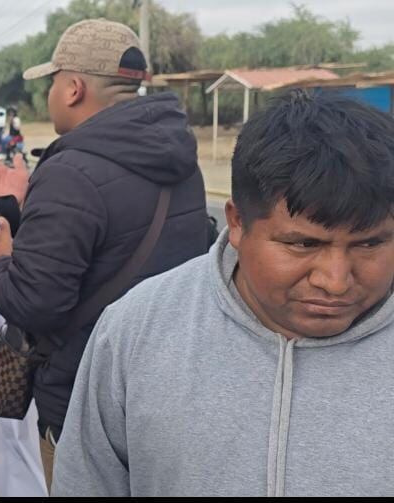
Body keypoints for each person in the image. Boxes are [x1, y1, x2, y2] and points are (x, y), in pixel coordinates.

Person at [53, 92, 394, 497]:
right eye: (303, 244)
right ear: (237, 222)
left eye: (370, 243)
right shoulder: (135, 330)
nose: (335, 281)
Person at [0, 19, 211, 486]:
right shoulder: (182, 160)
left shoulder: (70, 170)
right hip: (165, 387)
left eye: (52, 82)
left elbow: (35, 302)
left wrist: (2, 258)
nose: (50, 93)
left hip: (86, 400)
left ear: (73, 88)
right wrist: (25, 208)